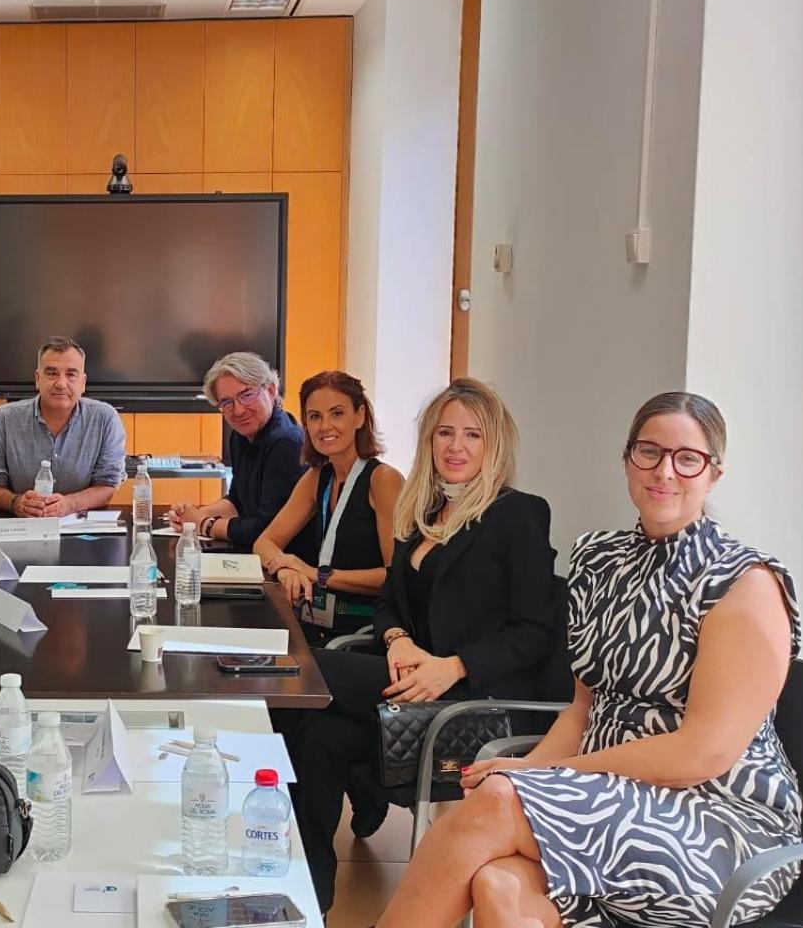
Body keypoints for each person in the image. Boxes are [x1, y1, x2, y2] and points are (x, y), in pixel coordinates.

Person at [378, 392, 802, 928]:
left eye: (687, 458)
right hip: (598, 795)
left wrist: (545, 774)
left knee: (498, 801)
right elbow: (582, 710)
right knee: (498, 883)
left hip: (714, 822)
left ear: (713, 474)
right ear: (627, 459)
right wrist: (534, 768)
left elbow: (702, 755)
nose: (665, 471)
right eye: (648, 452)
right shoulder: (600, 558)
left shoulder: (742, 582)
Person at [289, 378, 556, 913]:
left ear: (494, 444)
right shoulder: (423, 512)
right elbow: (390, 600)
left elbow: (535, 632)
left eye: (472, 435)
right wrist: (396, 638)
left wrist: (452, 667)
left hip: (476, 705)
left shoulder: (519, 515)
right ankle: (309, 898)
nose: (455, 447)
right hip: (412, 686)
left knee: (301, 673)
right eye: (444, 433)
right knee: (313, 733)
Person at [251, 370, 403, 647]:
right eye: (315, 416)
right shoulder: (317, 477)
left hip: (364, 634)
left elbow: (395, 577)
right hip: (315, 624)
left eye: (337, 414)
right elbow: (264, 542)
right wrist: (285, 568)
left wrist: (317, 574)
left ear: (359, 416)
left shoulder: (383, 479)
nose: (325, 426)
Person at [167, 352, 315, 563]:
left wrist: (204, 524)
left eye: (246, 395)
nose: (238, 410)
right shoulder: (240, 436)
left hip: (290, 566)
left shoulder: (286, 442)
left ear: (271, 390)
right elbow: (238, 500)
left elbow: (266, 530)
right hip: (255, 556)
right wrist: (193, 514)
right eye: (226, 402)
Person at [0, 336, 127, 517]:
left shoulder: (105, 419)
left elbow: (107, 486)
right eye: (52, 373)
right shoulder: (3, 420)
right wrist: (16, 503)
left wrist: (69, 505)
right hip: (21, 527)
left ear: (83, 382)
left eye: (71, 374)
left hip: (82, 530)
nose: (61, 384)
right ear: (38, 378)